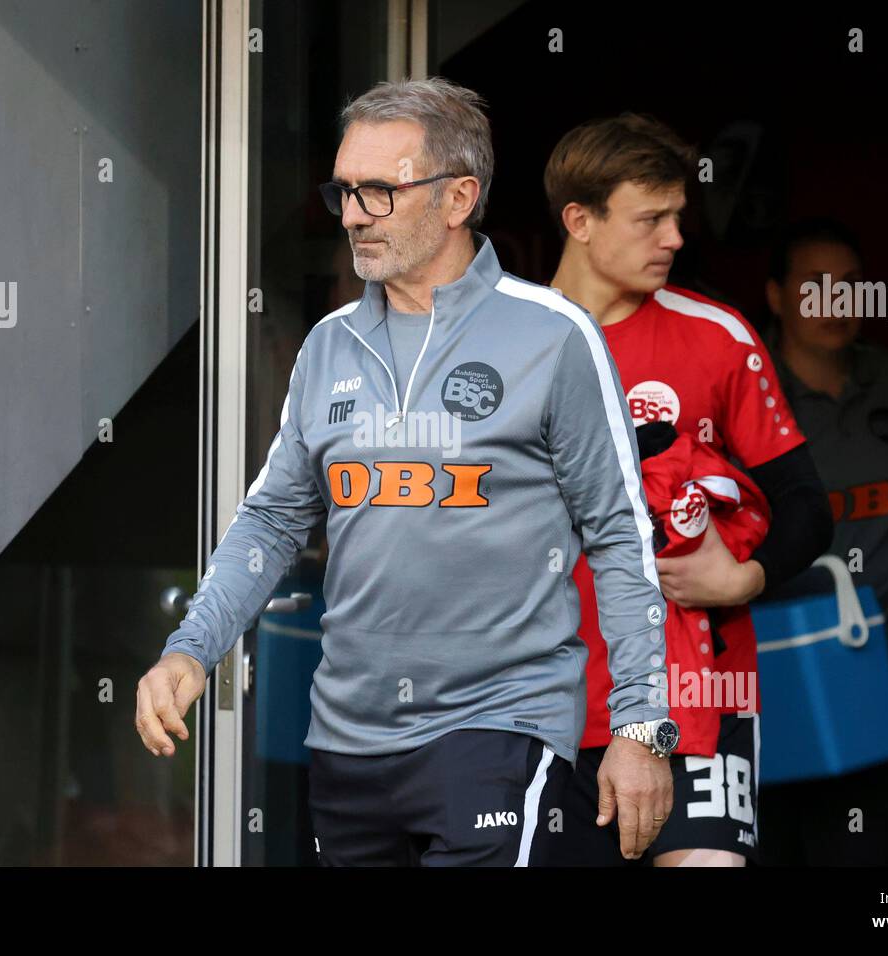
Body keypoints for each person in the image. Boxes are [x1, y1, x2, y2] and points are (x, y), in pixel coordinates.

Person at [134, 78, 675, 867]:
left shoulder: (555, 336)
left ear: (458, 198)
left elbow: (620, 536)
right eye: (346, 191)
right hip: (346, 744)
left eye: (380, 191)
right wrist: (191, 648)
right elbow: (273, 520)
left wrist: (640, 728)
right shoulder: (328, 346)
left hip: (497, 731)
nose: (353, 214)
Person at [540, 114, 833, 867]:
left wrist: (746, 575)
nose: (674, 237)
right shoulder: (501, 340)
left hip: (696, 694)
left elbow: (808, 507)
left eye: (677, 216)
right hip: (541, 697)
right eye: (651, 219)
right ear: (580, 221)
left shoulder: (717, 335)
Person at [756, 218, 888, 866]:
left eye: (850, 286)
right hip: (786, 666)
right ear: (776, 296)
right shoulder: (747, 386)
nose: (835, 302)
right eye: (816, 285)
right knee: (780, 849)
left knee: (874, 852)